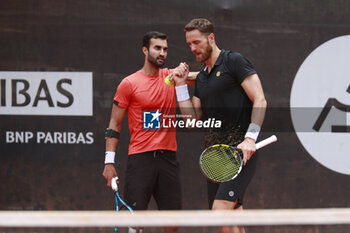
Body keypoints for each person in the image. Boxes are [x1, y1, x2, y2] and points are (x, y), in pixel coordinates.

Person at [172, 18, 267, 233]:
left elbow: (260, 99)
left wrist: (250, 138)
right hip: (216, 159)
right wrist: (180, 86)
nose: (193, 48)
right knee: (232, 218)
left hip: (241, 154)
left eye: (196, 42)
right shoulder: (203, 79)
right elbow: (192, 121)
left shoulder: (234, 61)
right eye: (189, 44)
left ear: (211, 38)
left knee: (220, 212)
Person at [102, 31, 195, 233]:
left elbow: (200, 78)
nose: (162, 53)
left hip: (168, 159)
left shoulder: (171, 78)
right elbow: (114, 124)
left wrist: (183, 73)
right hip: (140, 160)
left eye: (165, 49)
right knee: (135, 223)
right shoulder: (128, 84)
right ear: (145, 50)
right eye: (157, 48)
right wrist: (109, 162)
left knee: (172, 225)